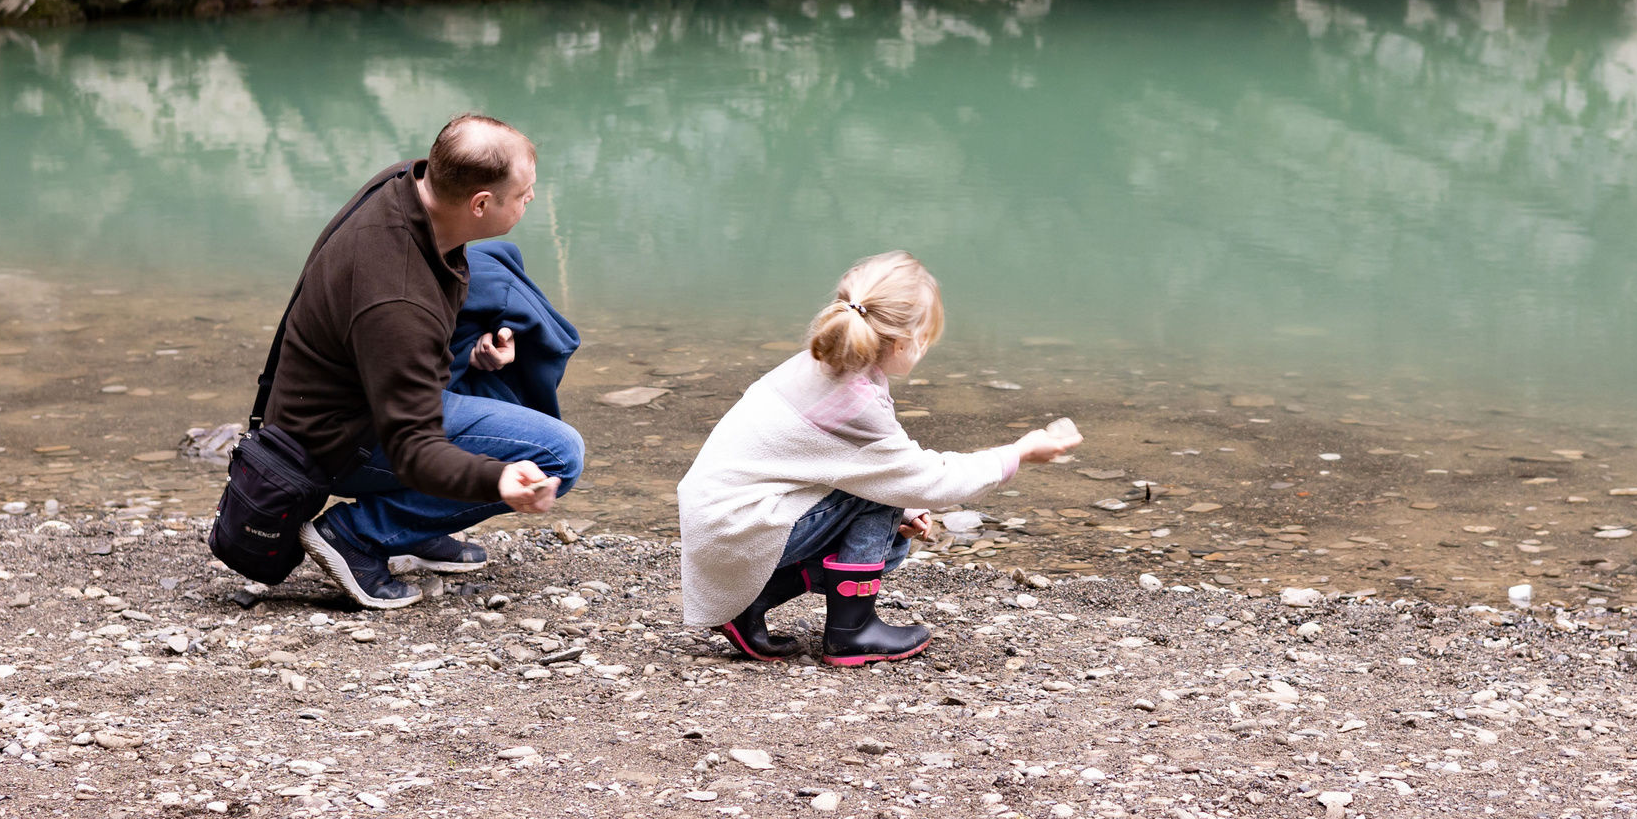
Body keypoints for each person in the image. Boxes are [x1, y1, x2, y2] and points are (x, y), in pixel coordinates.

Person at [677, 250, 1080, 665]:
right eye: (926, 339)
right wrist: (1018, 453)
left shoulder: (820, 365)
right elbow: (929, 479)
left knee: (890, 520)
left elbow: (830, 467)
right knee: (885, 494)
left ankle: (750, 602)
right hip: (736, 532)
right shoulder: (853, 403)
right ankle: (852, 632)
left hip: (722, 525)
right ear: (905, 342)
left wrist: (901, 512)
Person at [266, 114, 584, 609]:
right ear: (480, 203)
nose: (531, 199)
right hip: (336, 441)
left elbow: (418, 326)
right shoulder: (398, 299)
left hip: (348, 393)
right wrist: (498, 479)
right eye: (524, 193)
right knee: (559, 454)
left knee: (495, 285)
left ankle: (415, 524)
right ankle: (358, 536)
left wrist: (473, 354)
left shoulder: (407, 183)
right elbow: (414, 447)